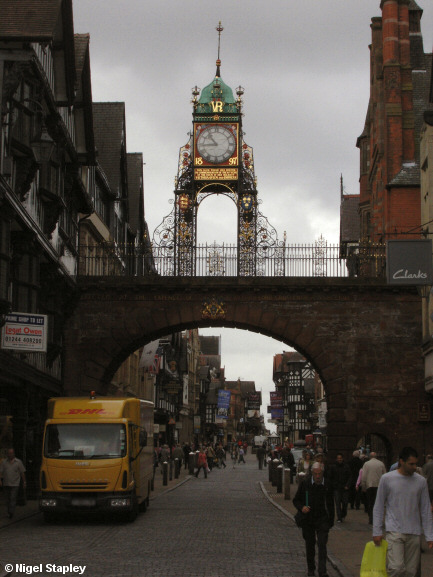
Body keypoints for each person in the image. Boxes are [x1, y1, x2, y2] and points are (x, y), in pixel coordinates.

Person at [373, 446, 433, 577]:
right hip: (394, 530)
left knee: (411, 571)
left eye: (415, 464)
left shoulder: (421, 481)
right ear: (401, 461)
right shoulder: (387, 479)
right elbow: (378, 506)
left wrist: (429, 535)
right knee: (396, 568)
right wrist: (376, 531)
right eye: (411, 464)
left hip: (414, 532)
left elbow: (425, 509)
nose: (414, 467)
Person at [293, 462, 334, 577]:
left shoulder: (327, 484)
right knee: (310, 545)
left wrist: (331, 520)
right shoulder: (305, 483)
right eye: (315, 474)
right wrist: (302, 508)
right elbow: (296, 500)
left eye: (319, 474)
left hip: (322, 518)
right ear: (312, 473)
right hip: (308, 519)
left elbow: (331, 504)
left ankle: (322, 570)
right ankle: (311, 569)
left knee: (322, 545)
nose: (317, 476)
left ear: (322, 473)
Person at [0, 448, 26, 519]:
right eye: (9, 453)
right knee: (7, 499)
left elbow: (22, 472)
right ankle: (9, 511)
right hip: (6, 483)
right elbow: (1, 472)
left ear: (14, 454)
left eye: (11, 453)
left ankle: (11, 512)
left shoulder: (18, 462)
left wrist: (24, 482)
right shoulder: (4, 462)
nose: (10, 455)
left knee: (12, 498)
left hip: (15, 484)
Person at [361, 451, 386, 524]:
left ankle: (371, 518)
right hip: (378, 485)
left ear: (370, 457)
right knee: (378, 503)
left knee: (370, 503)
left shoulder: (366, 464)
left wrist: (363, 486)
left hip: (369, 485)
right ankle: (378, 518)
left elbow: (364, 476)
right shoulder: (381, 463)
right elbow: (384, 475)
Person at [330, 453, 351, 523]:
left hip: (345, 488)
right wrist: (333, 485)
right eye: (338, 458)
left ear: (342, 459)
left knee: (345, 503)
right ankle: (339, 517)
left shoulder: (346, 467)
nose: (339, 459)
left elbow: (350, 477)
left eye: (340, 458)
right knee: (338, 503)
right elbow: (331, 477)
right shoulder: (333, 467)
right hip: (336, 488)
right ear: (336, 459)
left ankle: (343, 514)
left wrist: (347, 485)